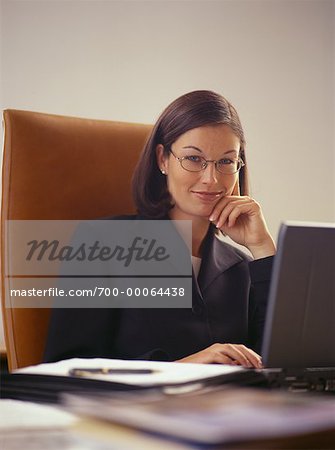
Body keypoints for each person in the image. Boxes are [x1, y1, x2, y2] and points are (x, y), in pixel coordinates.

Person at [44, 90, 275, 368]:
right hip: (127, 411)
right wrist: (182, 369)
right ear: (163, 159)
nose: (211, 178)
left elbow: (282, 369)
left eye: (226, 161)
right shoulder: (99, 245)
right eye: (193, 158)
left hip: (231, 410)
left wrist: (263, 249)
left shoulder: (242, 268)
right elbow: (66, 369)